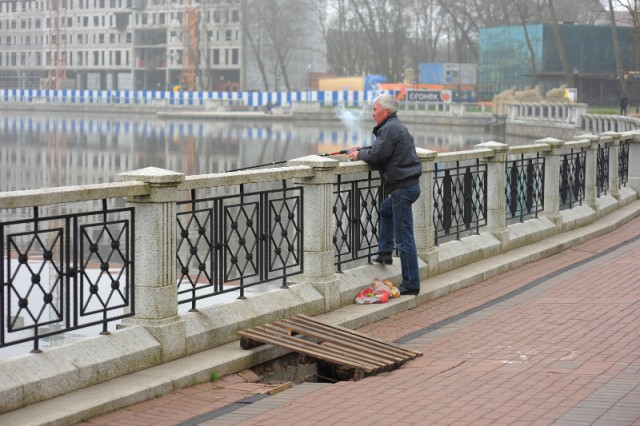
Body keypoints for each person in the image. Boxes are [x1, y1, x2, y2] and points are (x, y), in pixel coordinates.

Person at [348, 94, 422, 296]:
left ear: (385, 111)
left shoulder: (389, 128)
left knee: (405, 238)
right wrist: (362, 149)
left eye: (375, 110)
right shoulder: (395, 127)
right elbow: (381, 149)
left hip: (401, 189)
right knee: (384, 209)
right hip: (410, 186)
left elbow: (377, 156)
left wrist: (359, 155)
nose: (372, 114)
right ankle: (385, 252)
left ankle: (411, 283)